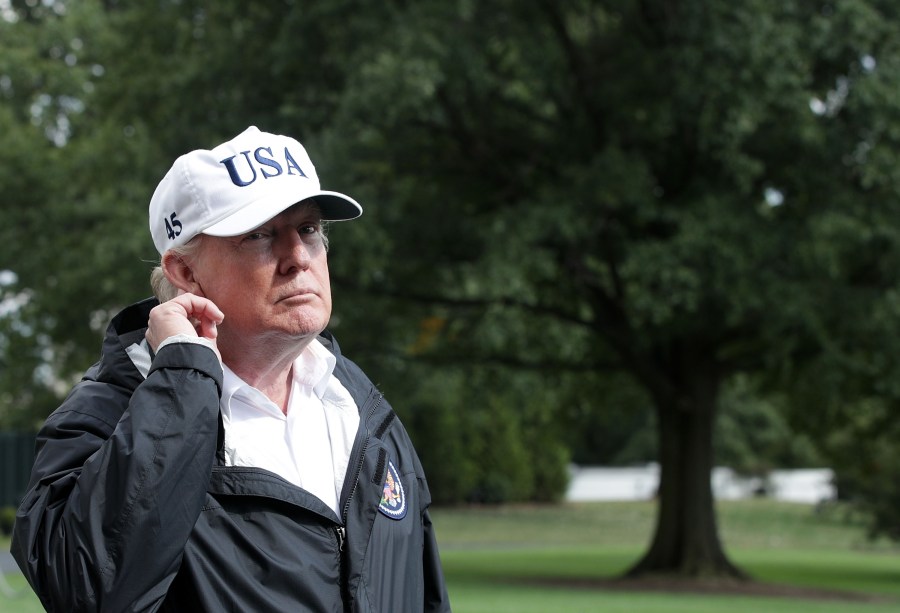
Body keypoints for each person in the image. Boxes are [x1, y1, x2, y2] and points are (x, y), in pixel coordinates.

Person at [11, 126, 451, 612]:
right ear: (184, 272)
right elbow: (89, 590)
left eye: (308, 230)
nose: (297, 258)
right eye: (260, 235)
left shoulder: (356, 403)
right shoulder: (107, 413)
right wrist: (183, 380)